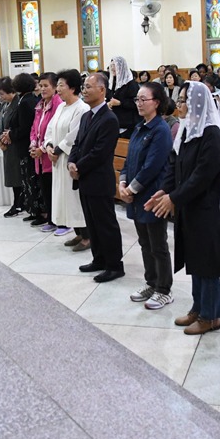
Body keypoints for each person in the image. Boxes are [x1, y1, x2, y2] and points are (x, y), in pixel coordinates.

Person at [146, 81, 220, 335]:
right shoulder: (187, 129)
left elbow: (203, 175)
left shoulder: (211, 133)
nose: (178, 104)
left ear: (196, 103)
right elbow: (174, 164)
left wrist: (174, 198)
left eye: (183, 100)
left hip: (206, 208)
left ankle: (211, 315)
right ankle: (198, 307)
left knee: (207, 263)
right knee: (195, 258)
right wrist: (165, 190)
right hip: (189, 206)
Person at [120, 82, 175, 310]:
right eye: (137, 99)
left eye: (144, 99)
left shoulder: (160, 130)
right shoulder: (139, 127)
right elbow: (128, 159)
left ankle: (164, 289)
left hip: (152, 196)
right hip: (135, 195)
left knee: (157, 244)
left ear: (157, 102)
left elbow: (153, 166)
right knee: (144, 243)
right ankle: (151, 283)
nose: (139, 103)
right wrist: (122, 183)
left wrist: (131, 189)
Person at [69, 73, 125, 283]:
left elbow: (100, 152)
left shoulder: (109, 119)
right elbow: (77, 144)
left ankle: (114, 266)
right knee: (92, 223)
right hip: (84, 179)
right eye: (83, 87)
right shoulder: (87, 116)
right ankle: (99, 259)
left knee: (105, 224)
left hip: (99, 180)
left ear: (102, 90)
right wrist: (71, 162)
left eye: (88, 87)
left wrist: (79, 167)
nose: (84, 90)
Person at [45, 70, 91, 247]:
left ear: (72, 88)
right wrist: (49, 146)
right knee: (63, 199)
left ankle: (87, 236)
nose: (57, 89)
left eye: (61, 85)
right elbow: (51, 129)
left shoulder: (81, 108)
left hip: (70, 159)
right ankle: (78, 233)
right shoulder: (61, 107)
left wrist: (57, 150)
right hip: (57, 159)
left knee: (74, 200)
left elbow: (74, 135)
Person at [29, 73, 62, 230]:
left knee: (55, 189)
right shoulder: (40, 105)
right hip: (39, 155)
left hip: (51, 153)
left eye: (46, 86)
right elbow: (34, 128)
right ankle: (50, 219)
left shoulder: (58, 104)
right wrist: (33, 144)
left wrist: (42, 148)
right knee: (45, 189)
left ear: (54, 87)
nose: (42, 89)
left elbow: (54, 131)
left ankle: (60, 221)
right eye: (40, 86)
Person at [9, 73, 41, 222]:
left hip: (26, 145)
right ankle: (32, 209)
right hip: (29, 145)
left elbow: (25, 128)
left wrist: (11, 134)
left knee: (30, 179)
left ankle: (36, 210)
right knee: (29, 179)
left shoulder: (25, 102)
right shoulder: (31, 99)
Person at [0, 78, 24, 217]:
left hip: (16, 146)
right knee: (12, 176)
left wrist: (8, 137)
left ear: (11, 91)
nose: (0, 97)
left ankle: (19, 204)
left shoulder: (18, 104)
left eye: (2, 93)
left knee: (17, 176)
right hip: (6, 146)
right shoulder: (4, 105)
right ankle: (17, 203)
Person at [107, 56, 140, 138]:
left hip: (128, 123)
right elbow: (108, 97)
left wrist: (120, 103)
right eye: (111, 66)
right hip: (114, 122)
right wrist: (108, 103)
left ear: (121, 67)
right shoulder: (112, 83)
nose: (112, 68)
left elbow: (136, 102)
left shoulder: (131, 84)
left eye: (114, 65)